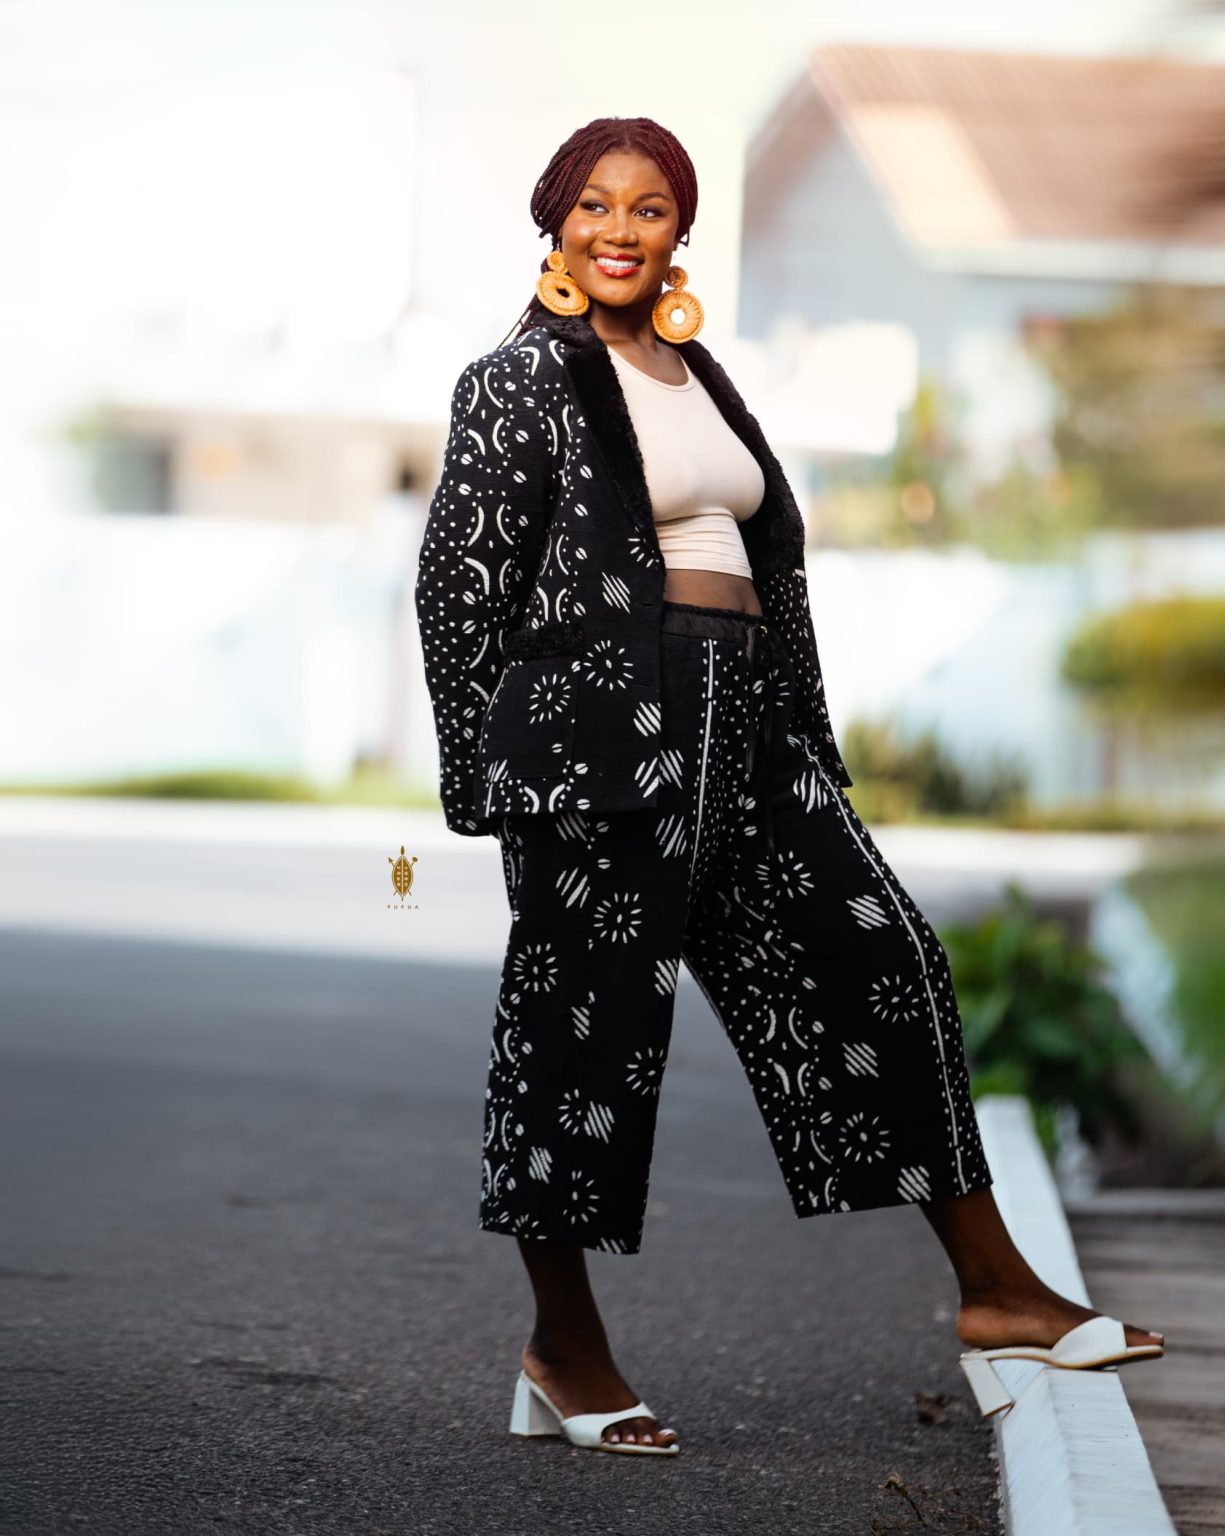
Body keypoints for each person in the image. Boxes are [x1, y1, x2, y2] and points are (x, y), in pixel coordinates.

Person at [413, 116, 1164, 1457]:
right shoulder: (519, 380)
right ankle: (564, 1347)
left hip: (750, 720)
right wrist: (488, 780)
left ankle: (996, 1291)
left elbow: (766, 555)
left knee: (883, 960)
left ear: (679, 232)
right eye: (596, 205)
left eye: (650, 208)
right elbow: (458, 586)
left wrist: (802, 735)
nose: (621, 230)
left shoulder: (696, 372)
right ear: (556, 221)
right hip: (605, 740)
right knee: (585, 1038)